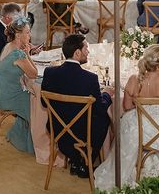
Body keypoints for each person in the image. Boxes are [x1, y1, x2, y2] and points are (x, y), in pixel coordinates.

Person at [94, 45, 159, 189]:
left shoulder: (133, 80)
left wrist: (143, 107)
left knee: (127, 123)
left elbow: (127, 107)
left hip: (139, 131)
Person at [41, 34, 113, 178]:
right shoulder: (90, 78)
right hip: (81, 131)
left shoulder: (49, 73)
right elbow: (99, 108)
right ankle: (87, 164)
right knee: (104, 117)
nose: (88, 51)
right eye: (86, 48)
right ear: (77, 53)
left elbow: (44, 103)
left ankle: (75, 160)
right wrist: (107, 94)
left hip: (57, 128)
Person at [0, 16, 36, 154]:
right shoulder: (18, 54)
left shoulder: (8, 46)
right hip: (5, 97)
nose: (30, 35)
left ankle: (19, 136)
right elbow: (33, 74)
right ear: (18, 35)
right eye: (27, 33)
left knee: (29, 95)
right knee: (35, 101)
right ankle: (36, 142)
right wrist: (27, 54)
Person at [0, 3, 22, 68]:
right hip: (4, 69)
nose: (19, 20)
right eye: (17, 17)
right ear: (7, 17)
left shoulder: (9, 28)